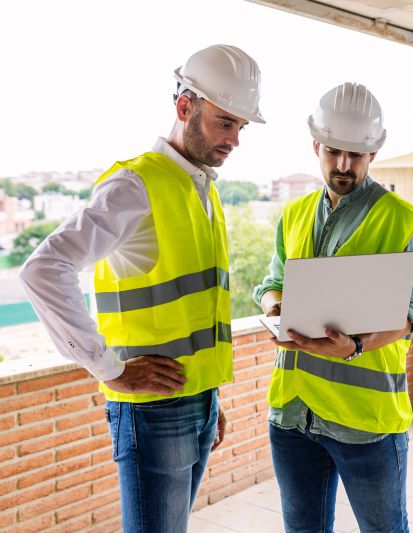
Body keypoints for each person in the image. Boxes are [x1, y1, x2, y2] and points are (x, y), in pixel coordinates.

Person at [19, 44, 265, 533]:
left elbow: (194, 313)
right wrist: (109, 369)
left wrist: (210, 397)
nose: (235, 139)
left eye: (241, 126)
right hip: (153, 411)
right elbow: (43, 269)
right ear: (185, 107)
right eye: (225, 122)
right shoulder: (135, 185)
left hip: (195, 400)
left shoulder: (201, 188)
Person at [253, 82, 413, 533]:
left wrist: (354, 347)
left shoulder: (399, 220)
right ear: (316, 145)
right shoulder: (293, 214)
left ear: (374, 153)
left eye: (356, 154)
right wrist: (276, 308)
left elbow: (407, 317)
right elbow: (271, 285)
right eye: (333, 152)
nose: (343, 165)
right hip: (293, 416)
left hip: (365, 422)